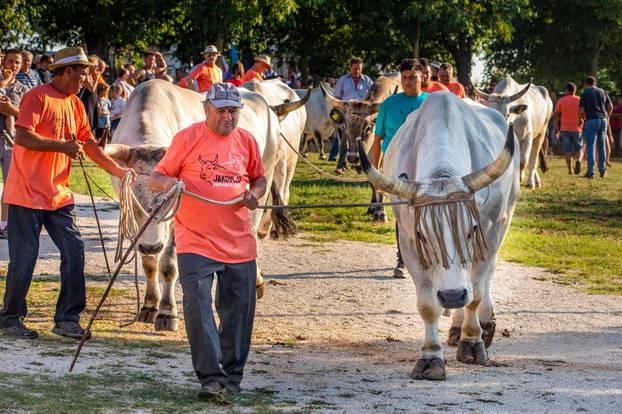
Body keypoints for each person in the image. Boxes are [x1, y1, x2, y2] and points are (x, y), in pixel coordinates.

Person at [0, 47, 133, 340]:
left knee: (74, 250)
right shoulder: (38, 97)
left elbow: (89, 144)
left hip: (58, 194)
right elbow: (22, 135)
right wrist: (61, 146)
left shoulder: (75, 104)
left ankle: (67, 318)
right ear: (67, 71)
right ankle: (10, 318)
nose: (86, 78)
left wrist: (120, 172)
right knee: (25, 257)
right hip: (26, 192)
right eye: (82, 72)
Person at [148, 82, 266, 399]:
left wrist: (254, 194)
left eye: (233, 111)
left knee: (238, 313)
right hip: (195, 241)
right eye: (222, 110)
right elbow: (156, 178)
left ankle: (232, 377)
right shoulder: (187, 138)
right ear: (207, 109)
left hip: (239, 242)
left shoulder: (247, 141)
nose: (228, 117)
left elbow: (259, 178)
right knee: (198, 307)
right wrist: (172, 183)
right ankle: (211, 378)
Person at [371, 58, 428, 279]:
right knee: (401, 213)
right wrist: (375, 172)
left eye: (412, 78)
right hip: (396, 168)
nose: (408, 82)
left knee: (426, 212)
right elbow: (378, 139)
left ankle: (427, 254)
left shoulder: (430, 103)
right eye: (404, 78)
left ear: (422, 77)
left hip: (425, 165)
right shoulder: (389, 104)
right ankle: (402, 259)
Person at [0, 49, 29, 239]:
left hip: (11, 141)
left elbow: (27, 116)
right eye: (10, 61)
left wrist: (13, 109)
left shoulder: (24, 90)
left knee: (10, 184)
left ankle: (4, 224)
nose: (14, 65)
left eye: (17, 62)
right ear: (3, 63)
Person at [329, 57, 374, 162]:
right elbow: (337, 98)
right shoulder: (343, 80)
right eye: (355, 68)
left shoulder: (367, 81)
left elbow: (372, 98)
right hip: (348, 116)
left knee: (363, 139)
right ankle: (341, 164)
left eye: (359, 69)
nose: (357, 71)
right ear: (350, 68)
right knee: (345, 138)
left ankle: (361, 163)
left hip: (362, 117)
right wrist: (338, 113)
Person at [579, 76, 612, 178]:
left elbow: (581, 110)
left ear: (586, 84)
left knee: (591, 146)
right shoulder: (602, 91)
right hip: (603, 120)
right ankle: (602, 170)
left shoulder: (585, 93)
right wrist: (607, 116)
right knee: (601, 146)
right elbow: (610, 106)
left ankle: (590, 172)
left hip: (591, 120)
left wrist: (580, 119)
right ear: (595, 83)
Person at [554, 83, 583, 174]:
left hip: (564, 128)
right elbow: (583, 113)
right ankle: (578, 160)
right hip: (577, 128)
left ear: (567, 90)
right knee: (579, 148)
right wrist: (581, 119)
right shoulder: (580, 100)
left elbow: (556, 115)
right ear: (575, 90)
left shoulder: (561, 100)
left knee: (567, 150)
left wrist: (556, 128)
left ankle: (570, 170)